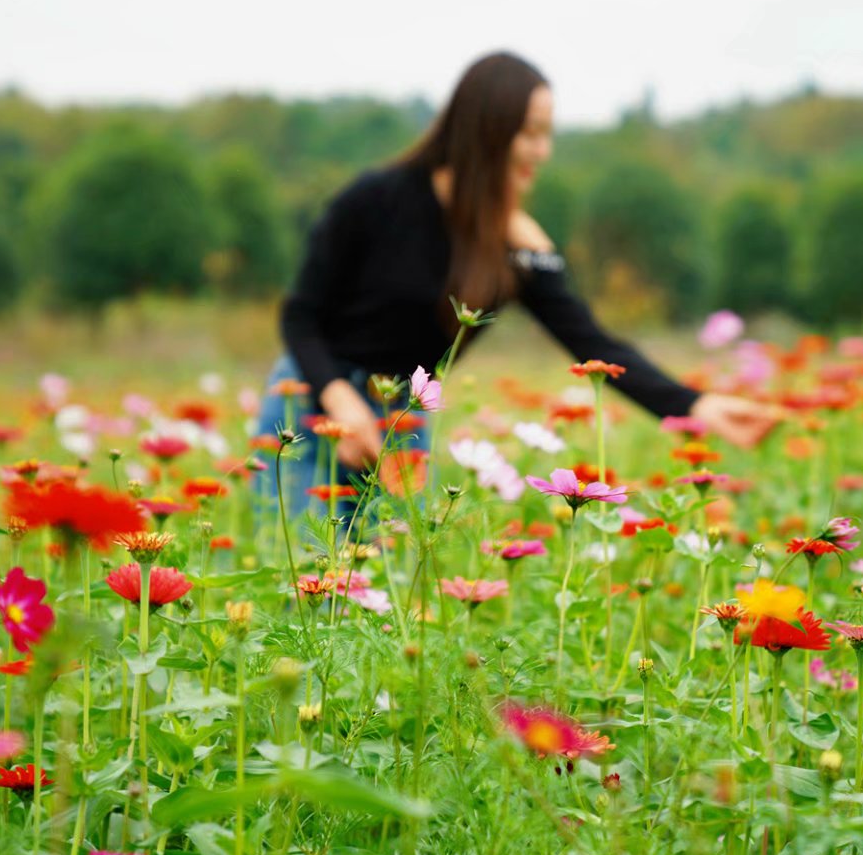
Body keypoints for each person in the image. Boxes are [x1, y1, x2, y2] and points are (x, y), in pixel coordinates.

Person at [254, 51, 780, 515]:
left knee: (381, 602)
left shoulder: (519, 245)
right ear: (485, 131)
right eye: (530, 133)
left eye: (546, 134)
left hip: (405, 419)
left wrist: (697, 406)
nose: (542, 151)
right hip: (311, 402)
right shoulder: (375, 199)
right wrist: (339, 399)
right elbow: (300, 314)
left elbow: (593, 345)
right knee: (304, 589)